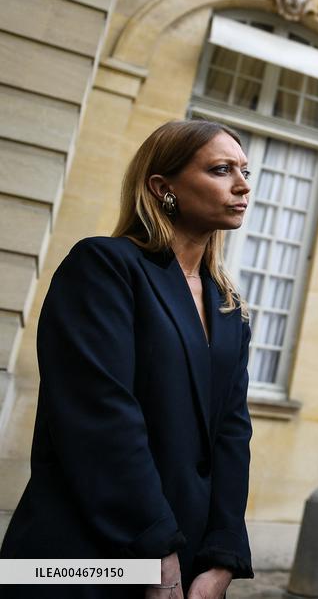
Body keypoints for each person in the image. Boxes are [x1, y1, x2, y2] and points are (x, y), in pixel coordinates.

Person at [1, 120, 255, 598]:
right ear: (163, 188)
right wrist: (155, 554)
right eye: (221, 170)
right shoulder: (103, 266)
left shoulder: (229, 306)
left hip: (188, 558)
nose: (243, 185)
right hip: (85, 558)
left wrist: (222, 557)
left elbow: (232, 432)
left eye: (244, 170)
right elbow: (99, 417)